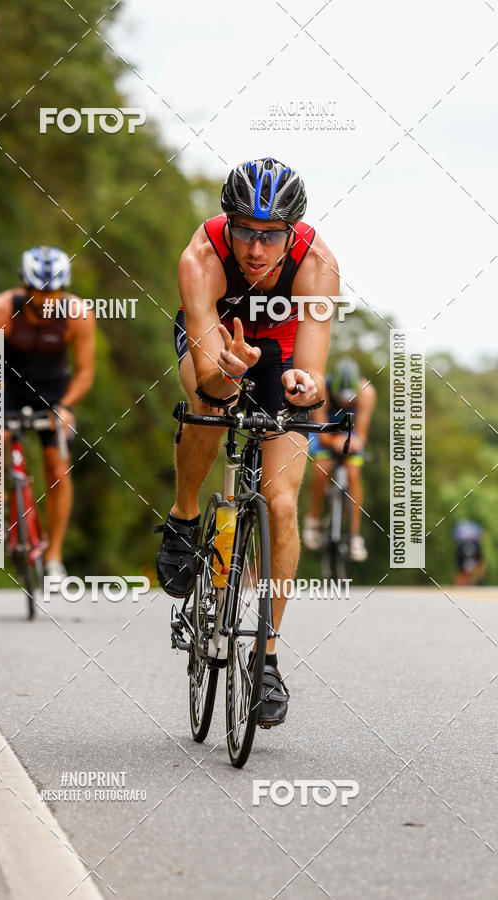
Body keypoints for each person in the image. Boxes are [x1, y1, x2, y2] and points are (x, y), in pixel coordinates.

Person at [155, 157, 339, 728]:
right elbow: (210, 377)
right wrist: (228, 372)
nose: (256, 249)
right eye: (245, 232)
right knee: (211, 405)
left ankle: (266, 658)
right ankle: (185, 520)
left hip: (281, 350)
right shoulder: (203, 258)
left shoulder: (318, 266)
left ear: (292, 232)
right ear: (226, 223)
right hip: (218, 341)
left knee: (281, 504)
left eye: (271, 236)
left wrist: (301, 386)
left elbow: (312, 374)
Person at [0, 246, 96, 582]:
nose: (47, 299)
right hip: (4, 386)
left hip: (54, 392)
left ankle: (54, 557)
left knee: (57, 465)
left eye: (54, 291)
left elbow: (84, 372)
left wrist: (65, 406)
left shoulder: (78, 314)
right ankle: (1, 505)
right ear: (25, 287)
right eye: (39, 291)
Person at [303, 358, 376, 561]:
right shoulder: (322, 391)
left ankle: (354, 536)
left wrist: (353, 441)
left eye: (349, 399)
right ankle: (314, 519)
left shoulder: (367, 392)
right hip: (324, 432)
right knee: (321, 468)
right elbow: (322, 433)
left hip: (350, 435)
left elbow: (361, 433)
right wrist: (333, 441)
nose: (344, 402)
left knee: (353, 473)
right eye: (340, 398)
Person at [453, 520, 485, 585]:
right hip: (470, 547)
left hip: (463, 547)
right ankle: (477, 581)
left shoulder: (462, 542)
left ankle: (465, 583)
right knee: (478, 566)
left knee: (462, 571)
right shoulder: (475, 542)